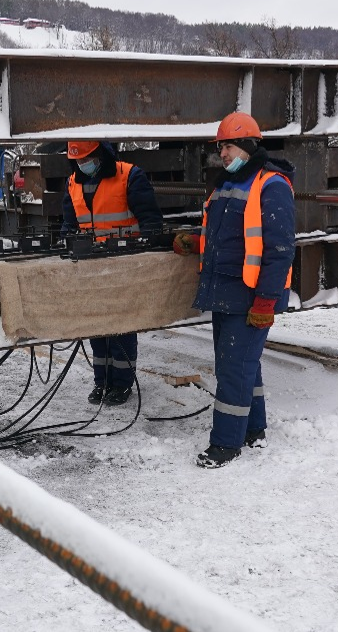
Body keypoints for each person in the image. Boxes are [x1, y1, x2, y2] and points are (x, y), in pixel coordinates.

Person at [172, 114, 296, 468]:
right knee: (241, 366)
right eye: (220, 147)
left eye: (227, 146)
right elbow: (226, 238)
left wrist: (266, 301)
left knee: (232, 370)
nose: (222, 153)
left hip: (251, 294)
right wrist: (195, 241)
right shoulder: (227, 184)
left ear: (246, 146)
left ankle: (225, 444)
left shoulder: (272, 185)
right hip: (226, 290)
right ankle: (253, 430)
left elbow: (280, 250)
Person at [63, 140, 163, 405]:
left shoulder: (129, 176)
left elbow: (151, 222)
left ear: (101, 154)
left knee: (122, 328)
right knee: (98, 326)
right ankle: (102, 382)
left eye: (87, 158)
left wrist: (146, 256)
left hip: (124, 266)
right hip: (92, 268)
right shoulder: (73, 183)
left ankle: (121, 384)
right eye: (78, 160)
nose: (83, 164)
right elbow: (69, 223)